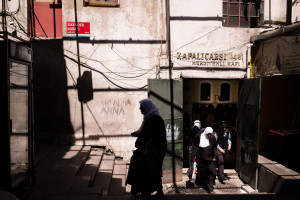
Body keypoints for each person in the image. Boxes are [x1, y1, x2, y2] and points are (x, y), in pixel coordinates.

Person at [126, 99, 167, 199]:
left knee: (150, 169)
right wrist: (137, 134)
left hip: (155, 149)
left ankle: (147, 192)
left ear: (147, 107)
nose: (140, 109)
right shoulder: (151, 117)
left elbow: (146, 134)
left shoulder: (153, 119)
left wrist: (139, 142)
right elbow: (144, 131)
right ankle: (158, 191)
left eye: (142, 107)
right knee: (155, 169)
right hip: (155, 148)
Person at [194, 127, 217, 194]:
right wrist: (194, 156)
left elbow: (215, 147)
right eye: (208, 134)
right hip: (200, 159)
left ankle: (210, 189)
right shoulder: (199, 137)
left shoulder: (213, 138)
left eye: (210, 134)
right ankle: (200, 183)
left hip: (210, 159)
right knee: (201, 173)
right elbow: (195, 146)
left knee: (212, 172)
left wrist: (214, 156)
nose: (209, 136)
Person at [186, 120, 204, 187]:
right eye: (195, 126)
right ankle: (191, 175)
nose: (196, 128)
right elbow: (191, 138)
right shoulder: (192, 129)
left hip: (200, 147)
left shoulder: (202, 130)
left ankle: (199, 177)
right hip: (193, 146)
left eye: (197, 127)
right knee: (192, 162)